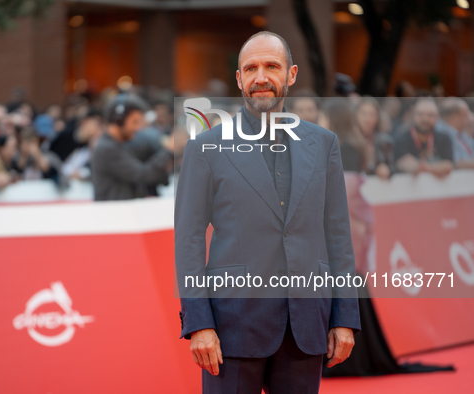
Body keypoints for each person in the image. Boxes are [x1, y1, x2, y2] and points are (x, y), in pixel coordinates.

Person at [175, 31, 359, 394]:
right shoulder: (206, 148)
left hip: (305, 326)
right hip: (231, 327)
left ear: (290, 75)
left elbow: (337, 235)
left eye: (271, 66)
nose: (262, 77)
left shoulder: (324, 144)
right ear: (239, 79)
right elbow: (189, 240)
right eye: (251, 68)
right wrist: (199, 324)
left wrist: (345, 317)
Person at [90, 94, 173, 201]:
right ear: (119, 120)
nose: (138, 128)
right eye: (134, 122)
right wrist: (169, 150)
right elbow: (142, 175)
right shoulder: (108, 149)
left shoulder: (116, 145)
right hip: (114, 215)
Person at [394, 98, 453, 177]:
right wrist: (436, 168)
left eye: (430, 115)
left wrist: (426, 167)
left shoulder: (444, 137)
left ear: (437, 117)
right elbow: (404, 163)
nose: (425, 119)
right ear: (413, 115)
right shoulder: (401, 137)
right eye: (420, 114)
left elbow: (448, 165)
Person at [437, 98, 474, 169]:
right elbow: (455, 162)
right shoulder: (439, 134)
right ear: (455, 117)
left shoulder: (462, 133)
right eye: (466, 115)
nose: (470, 118)